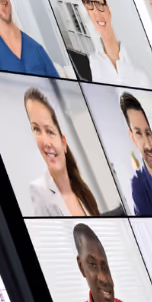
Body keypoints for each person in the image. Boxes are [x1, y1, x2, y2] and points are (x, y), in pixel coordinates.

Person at [23, 88, 100, 218]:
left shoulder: (82, 190)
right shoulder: (39, 191)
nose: (46, 142)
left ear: (63, 142)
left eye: (50, 131)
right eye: (36, 129)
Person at [77, 0, 152, 88]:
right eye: (88, 2)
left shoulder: (140, 56)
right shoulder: (93, 64)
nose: (95, 11)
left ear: (109, 6)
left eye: (98, 1)